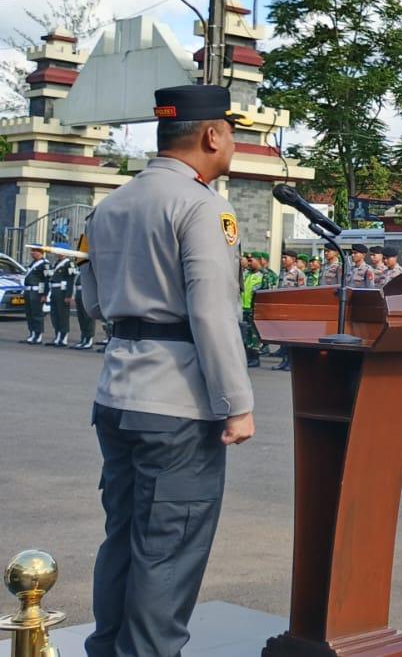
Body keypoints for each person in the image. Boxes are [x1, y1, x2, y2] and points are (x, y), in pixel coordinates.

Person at [77, 84, 255, 657]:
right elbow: (213, 312)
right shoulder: (202, 205)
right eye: (231, 131)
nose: (233, 141)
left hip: (118, 392)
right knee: (168, 552)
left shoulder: (112, 205)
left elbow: (94, 302)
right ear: (211, 134)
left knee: (125, 540)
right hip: (176, 403)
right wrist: (237, 403)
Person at [49, 250, 77, 347]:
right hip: (55, 290)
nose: (58, 254)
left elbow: (70, 280)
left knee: (62, 315)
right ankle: (57, 335)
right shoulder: (57, 263)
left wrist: (68, 295)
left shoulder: (69, 263)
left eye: (60, 252)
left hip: (62, 292)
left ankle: (64, 337)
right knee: (55, 314)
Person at [22, 244, 48, 344]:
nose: (32, 252)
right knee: (29, 314)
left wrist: (44, 295)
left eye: (35, 251)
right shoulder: (33, 263)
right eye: (32, 250)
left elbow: (46, 280)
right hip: (29, 291)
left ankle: (38, 335)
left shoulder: (44, 264)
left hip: (37, 292)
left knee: (37, 314)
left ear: (41, 252)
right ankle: (32, 333)